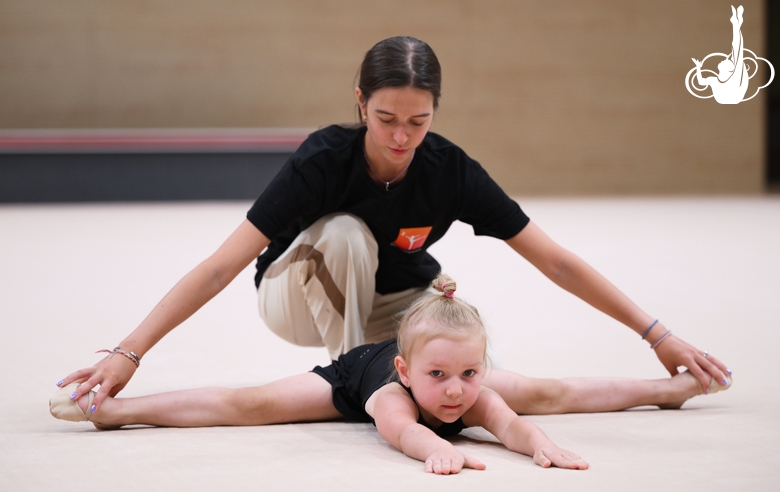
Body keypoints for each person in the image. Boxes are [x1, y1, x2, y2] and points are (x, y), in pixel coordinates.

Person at [56, 36, 731, 416]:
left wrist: (658, 336)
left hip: (394, 301)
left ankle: (663, 395)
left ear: (435, 112)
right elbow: (219, 265)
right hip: (295, 294)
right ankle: (363, 386)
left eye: (419, 120)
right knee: (348, 234)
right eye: (386, 120)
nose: (402, 136)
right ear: (361, 103)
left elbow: (553, 259)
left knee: (481, 387)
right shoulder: (323, 158)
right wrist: (130, 350)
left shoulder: (451, 170)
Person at [50, 275, 731, 474]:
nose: (458, 391)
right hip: (351, 382)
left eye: (469, 373)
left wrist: (539, 445)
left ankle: (664, 393)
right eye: (441, 377)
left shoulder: (471, 383)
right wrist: (438, 446)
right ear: (409, 370)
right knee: (250, 402)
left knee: (554, 394)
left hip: (418, 360)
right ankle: (116, 411)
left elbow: (511, 421)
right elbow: (404, 435)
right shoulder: (393, 394)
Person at [692, 5, 749, 104]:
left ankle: (736, 23)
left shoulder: (726, 79)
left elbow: (701, 81)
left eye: (727, 61)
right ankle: (736, 23)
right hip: (730, 97)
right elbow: (701, 82)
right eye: (728, 61)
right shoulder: (721, 79)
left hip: (731, 96)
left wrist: (698, 67)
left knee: (736, 50)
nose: (725, 59)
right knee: (737, 51)